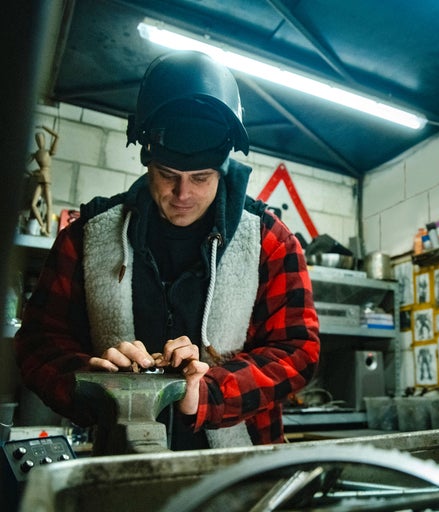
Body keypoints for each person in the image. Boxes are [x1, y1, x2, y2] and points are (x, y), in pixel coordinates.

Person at [14, 51, 320, 449]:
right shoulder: (87, 236)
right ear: (146, 158)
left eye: (201, 178)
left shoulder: (269, 241)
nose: (183, 194)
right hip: (118, 465)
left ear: (223, 167)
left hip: (240, 469)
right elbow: (38, 342)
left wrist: (208, 392)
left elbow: (299, 350)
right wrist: (91, 382)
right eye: (167, 175)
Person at [29, 125, 59, 236]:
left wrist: (43, 127)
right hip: (40, 179)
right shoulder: (36, 154)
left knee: (49, 204)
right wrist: (34, 173)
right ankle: (42, 225)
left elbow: (57, 136)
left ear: (44, 140)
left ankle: (48, 230)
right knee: (33, 204)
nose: (39, 141)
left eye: (41, 138)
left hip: (46, 179)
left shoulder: (49, 152)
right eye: (37, 139)